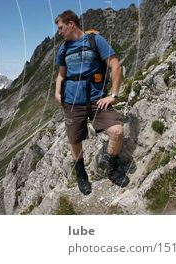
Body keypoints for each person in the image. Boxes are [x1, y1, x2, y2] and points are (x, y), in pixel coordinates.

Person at [54, 10, 130, 195]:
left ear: (71, 24)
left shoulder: (95, 40)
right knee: (75, 140)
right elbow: (61, 75)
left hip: (97, 100)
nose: (59, 32)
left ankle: (112, 168)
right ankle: (82, 175)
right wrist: (57, 92)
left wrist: (113, 95)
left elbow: (115, 65)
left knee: (117, 132)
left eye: (61, 28)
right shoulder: (63, 49)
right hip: (72, 102)